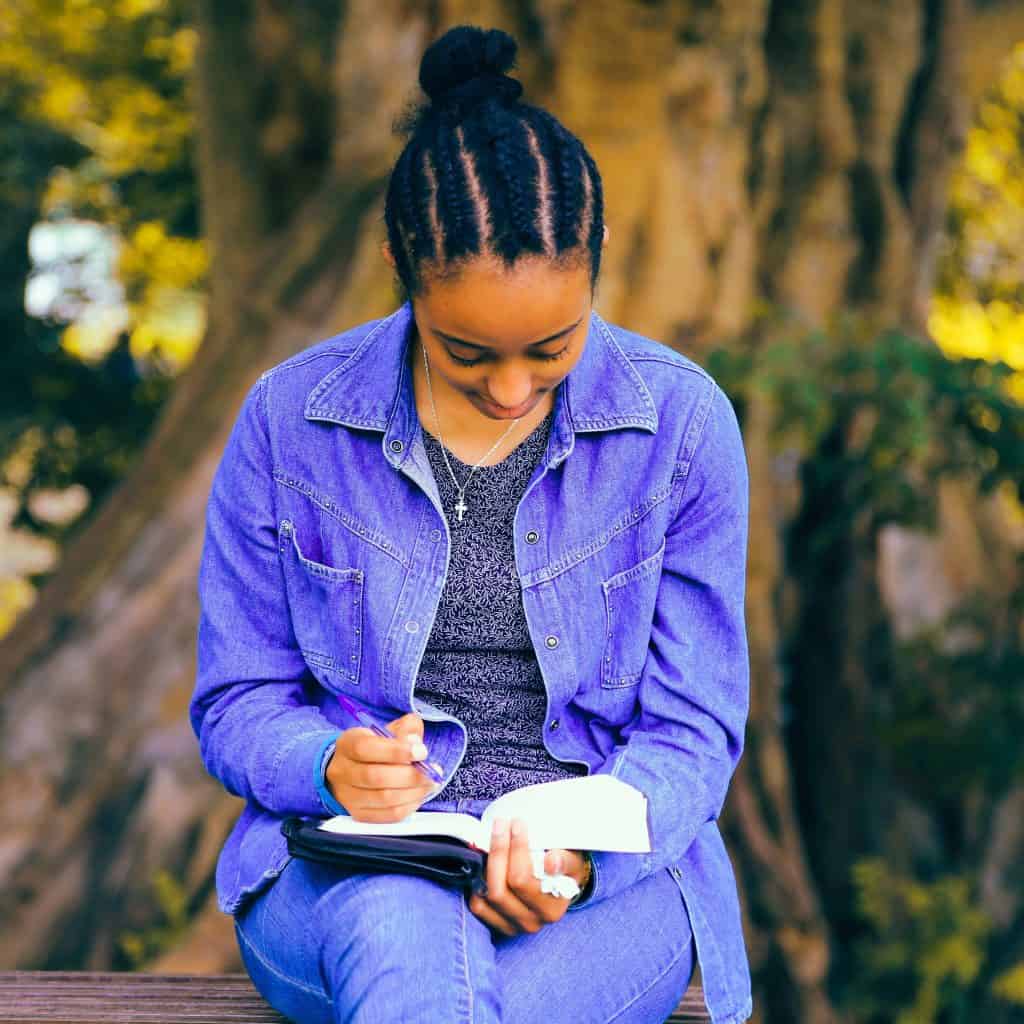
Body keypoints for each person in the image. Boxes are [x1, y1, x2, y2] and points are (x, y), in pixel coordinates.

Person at [190, 23, 753, 1024]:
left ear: (597, 259)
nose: (509, 388)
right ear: (401, 264)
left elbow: (692, 727)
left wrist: (577, 856)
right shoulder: (290, 421)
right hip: (344, 876)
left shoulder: (680, 423)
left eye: (550, 348)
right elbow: (238, 700)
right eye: (465, 353)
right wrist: (324, 763)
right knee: (406, 936)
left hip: (603, 885)